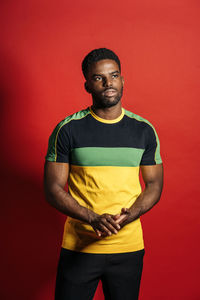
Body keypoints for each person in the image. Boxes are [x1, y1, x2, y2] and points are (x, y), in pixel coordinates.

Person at [44, 48, 163, 300]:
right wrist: (92, 218)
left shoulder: (144, 130)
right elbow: (53, 188)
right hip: (80, 248)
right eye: (99, 78)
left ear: (122, 79)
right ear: (87, 85)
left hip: (128, 248)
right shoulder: (68, 130)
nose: (109, 83)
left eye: (114, 75)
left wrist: (131, 215)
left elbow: (154, 185)